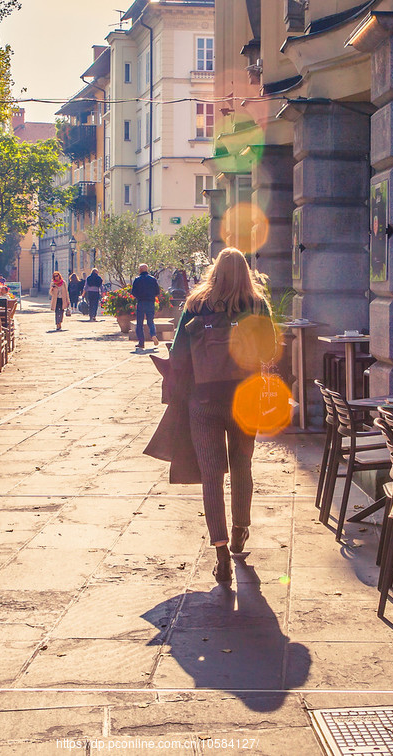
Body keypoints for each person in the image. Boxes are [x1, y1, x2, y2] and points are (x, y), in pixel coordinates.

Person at [169, 247, 273, 587]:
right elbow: (271, 351)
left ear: (214, 270)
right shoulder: (256, 305)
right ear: (246, 272)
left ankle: (221, 554)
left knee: (212, 476)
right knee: (242, 466)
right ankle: (241, 528)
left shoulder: (196, 305)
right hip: (245, 399)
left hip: (204, 399)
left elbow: (177, 353)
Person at [132, 263, 160, 351]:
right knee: (150, 321)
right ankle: (153, 334)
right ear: (147, 270)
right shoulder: (153, 279)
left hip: (141, 302)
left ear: (140, 270)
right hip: (150, 302)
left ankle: (141, 343)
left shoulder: (137, 279)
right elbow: (157, 291)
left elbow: (133, 292)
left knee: (139, 324)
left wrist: (138, 297)